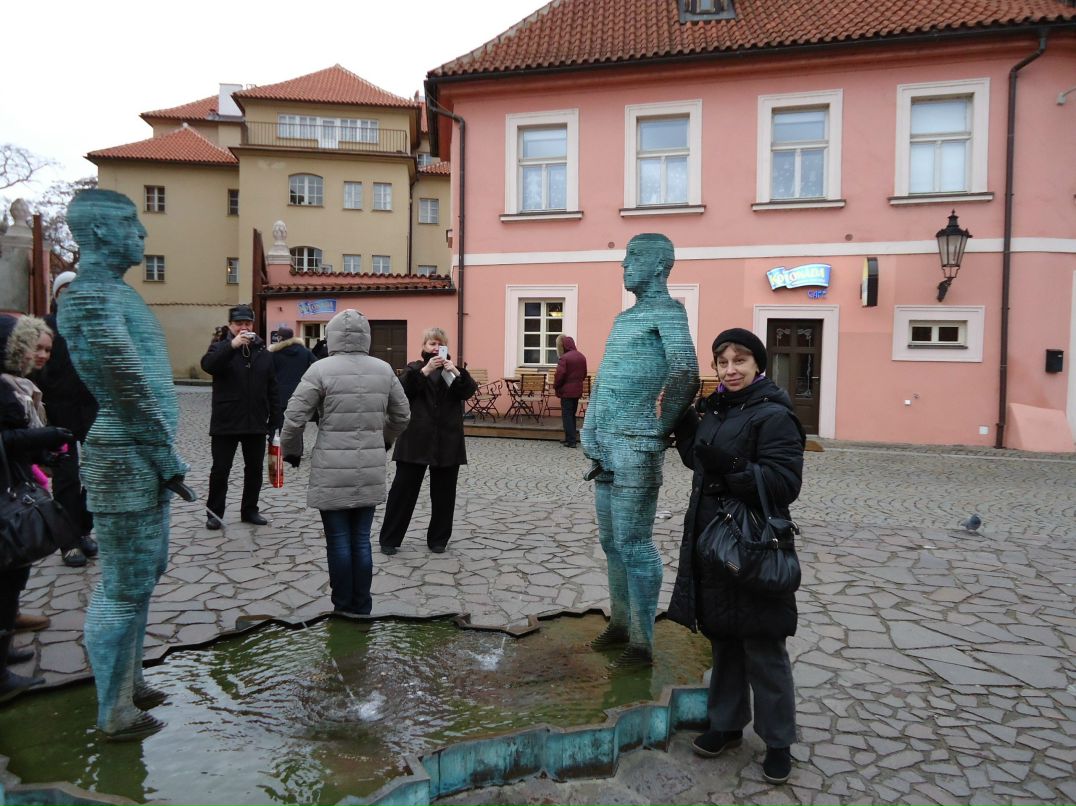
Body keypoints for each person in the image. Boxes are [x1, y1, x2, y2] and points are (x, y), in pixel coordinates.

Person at [59, 188, 192, 739]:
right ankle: (113, 711)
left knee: (145, 574)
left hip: (142, 455)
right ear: (98, 231)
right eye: (130, 222)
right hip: (125, 454)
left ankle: (131, 683)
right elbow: (125, 385)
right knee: (121, 586)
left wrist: (162, 457)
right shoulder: (89, 297)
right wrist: (165, 457)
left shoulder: (117, 293)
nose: (142, 232)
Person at [667, 327, 806, 785]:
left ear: (757, 364)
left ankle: (778, 741)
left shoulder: (775, 414)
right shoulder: (715, 408)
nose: (730, 370)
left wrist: (733, 468)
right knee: (723, 636)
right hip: (713, 541)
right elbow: (699, 459)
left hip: (754, 543)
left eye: (740, 360)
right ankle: (726, 724)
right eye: (722, 362)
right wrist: (686, 425)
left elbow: (785, 484)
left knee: (764, 643)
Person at [580, 233, 698, 667]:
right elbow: (604, 379)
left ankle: (642, 643)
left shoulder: (669, 312)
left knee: (634, 543)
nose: (624, 264)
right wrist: (590, 429)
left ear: (660, 265)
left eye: (634, 256)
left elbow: (686, 372)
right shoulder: (623, 319)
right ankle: (620, 623)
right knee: (611, 542)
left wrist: (658, 430)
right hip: (606, 446)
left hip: (636, 447)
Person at [280, 309, 410, 614]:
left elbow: (293, 419)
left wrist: (292, 451)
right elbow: (403, 415)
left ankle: (342, 606)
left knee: (338, 541)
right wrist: (385, 439)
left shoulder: (320, 369)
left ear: (332, 337)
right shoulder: (384, 370)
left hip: (331, 469)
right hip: (369, 468)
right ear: (367, 337)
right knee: (361, 540)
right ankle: (362, 606)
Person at [0, 314, 73, 702]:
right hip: (4, 491)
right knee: (5, 572)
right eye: (34, 347)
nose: (41, 355)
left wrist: (44, 452)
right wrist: (42, 437)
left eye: (46, 349)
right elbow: (6, 438)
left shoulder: (19, 384)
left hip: (12, 481)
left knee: (14, 570)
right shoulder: (4, 387)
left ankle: (6, 638)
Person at [378, 327, 477, 555]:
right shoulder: (414, 369)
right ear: (424, 346)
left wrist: (456, 372)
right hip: (415, 439)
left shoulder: (454, 371)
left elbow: (468, 392)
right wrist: (425, 371)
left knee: (444, 494)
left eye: (440, 344)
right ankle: (390, 539)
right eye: (432, 343)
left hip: (447, 440)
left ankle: (438, 539)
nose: (435, 348)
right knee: (403, 491)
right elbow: (401, 392)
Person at [33, 271, 100, 567]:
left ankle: (83, 529)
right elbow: (35, 369)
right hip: (59, 415)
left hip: (93, 413)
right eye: (65, 290)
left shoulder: (93, 326)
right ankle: (68, 542)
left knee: (98, 475)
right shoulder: (45, 326)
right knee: (66, 478)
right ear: (57, 295)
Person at [200, 304, 280, 529]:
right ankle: (214, 513)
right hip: (226, 421)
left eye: (247, 323)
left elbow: (273, 389)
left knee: (254, 471)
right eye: (238, 324)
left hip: (256, 422)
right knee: (220, 470)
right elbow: (208, 365)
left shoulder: (263, 352)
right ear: (230, 325)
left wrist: (275, 421)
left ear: (253, 325)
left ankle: (250, 510)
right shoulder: (220, 347)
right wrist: (232, 346)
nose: (243, 328)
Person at [269, 326, 316, 426]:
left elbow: (269, 373)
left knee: (283, 425)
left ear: (280, 338)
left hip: (280, 395)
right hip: (300, 393)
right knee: (298, 425)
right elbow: (316, 366)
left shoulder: (275, 354)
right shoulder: (305, 352)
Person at [553, 334, 587, 448]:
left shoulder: (564, 358)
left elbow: (559, 375)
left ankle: (571, 441)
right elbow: (584, 374)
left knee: (567, 416)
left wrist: (556, 386)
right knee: (572, 414)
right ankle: (571, 438)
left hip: (566, 392)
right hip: (577, 390)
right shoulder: (581, 356)